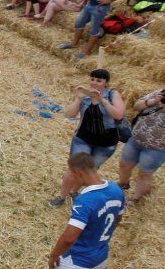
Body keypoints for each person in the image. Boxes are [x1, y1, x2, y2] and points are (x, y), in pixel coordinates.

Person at [49, 69, 126, 207]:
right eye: (92, 79)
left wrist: (102, 100)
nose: (94, 83)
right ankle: (61, 196)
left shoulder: (112, 95)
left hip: (105, 144)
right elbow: (70, 114)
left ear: (106, 83)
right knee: (73, 168)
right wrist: (78, 98)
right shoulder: (85, 96)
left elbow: (119, 115)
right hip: (83, 139)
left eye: (99, 81)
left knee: (88, 170)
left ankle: (74, 191)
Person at [117, 78, 165, 204]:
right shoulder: (159, 94)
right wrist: (153, 101)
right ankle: (123, 183)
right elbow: (137, 106)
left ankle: (135, 199)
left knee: (144, 174)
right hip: (135, 140)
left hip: (157, 149)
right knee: (124, 164)